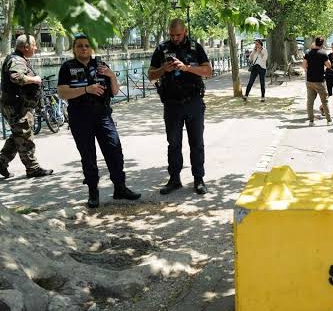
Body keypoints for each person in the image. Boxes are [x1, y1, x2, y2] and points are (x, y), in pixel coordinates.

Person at [57, 34, 140, 208]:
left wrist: (111, 75)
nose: (84, 48)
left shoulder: (101, 65)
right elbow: (62, 92)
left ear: (92, 48)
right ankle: (93, 192)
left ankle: (120, 188)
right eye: (80, 46)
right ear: (74, 49)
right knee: (88, 156)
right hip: (80, 118)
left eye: (87, 45)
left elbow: (115, 92)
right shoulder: (67, 67)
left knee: (114, 150)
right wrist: (87, 89)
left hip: (103, 115)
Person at [148, 18, 213, 195]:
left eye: (178, 34)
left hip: (193, 101)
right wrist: (163, 69)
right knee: (174, 143)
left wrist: (186, 68)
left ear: (185, 32)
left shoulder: (195, 47)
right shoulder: (162, 49)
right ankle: (174, 179)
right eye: (172, 35)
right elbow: (151, 75)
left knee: (196, 142)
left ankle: (198, 179)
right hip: (172, 104)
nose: (175, 38)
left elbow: (208, 71)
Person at [0, 34, 53, 179]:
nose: (36, 48)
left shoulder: (19, 58)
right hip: (17, 107)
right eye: (34, 45)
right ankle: (33, 168)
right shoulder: (17, 60)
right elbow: (16, 77)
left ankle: (1, 162)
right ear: (26, 47)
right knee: (25, 137)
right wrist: (35, 79)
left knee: (18, 136)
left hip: (18, 106)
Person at [303, 36, 333, 127]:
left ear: (315, 42)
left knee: (310, 101)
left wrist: (308, 70)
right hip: (320, 81)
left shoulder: (308, 53)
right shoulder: (323, 53)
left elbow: (304, 65)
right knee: (324, 101)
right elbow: (328, 65)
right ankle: (329, 120)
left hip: (310, 80)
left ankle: (311, 121)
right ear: (322, 44)